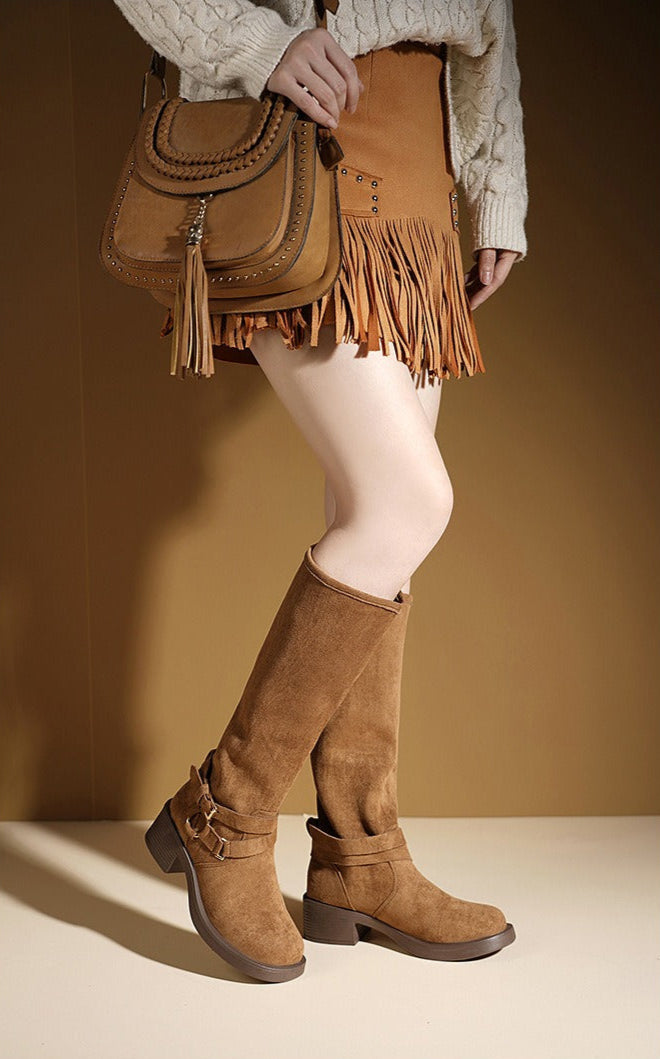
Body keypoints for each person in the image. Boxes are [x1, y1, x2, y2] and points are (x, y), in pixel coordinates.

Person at [113, 0, 528, 983]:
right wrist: (259, 43)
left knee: (373, 525)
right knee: (405, 505)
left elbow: (493, 21)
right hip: (299, 169)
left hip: (420, 189)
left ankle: (359, 855)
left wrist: (494, 189)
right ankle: (226, 811)